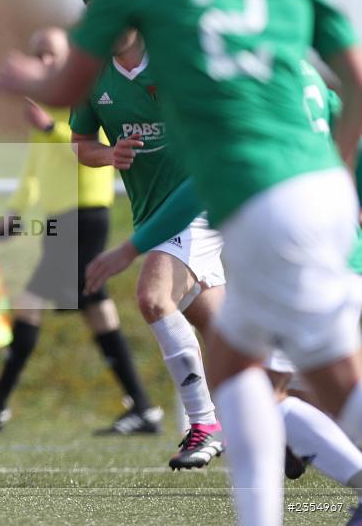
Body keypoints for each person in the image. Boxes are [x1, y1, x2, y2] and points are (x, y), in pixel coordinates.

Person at [0, 0, 362, 524]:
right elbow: (353, 84)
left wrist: (30, 81)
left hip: (254, 202)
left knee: (310, 373)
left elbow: (199, 173)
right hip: (306, 196)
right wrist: (342, 174)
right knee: (250, 377)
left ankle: (224, 434)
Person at [84, 61, 362, 520]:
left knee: (252, 390)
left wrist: (130, 249)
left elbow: (200, 186)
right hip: (329, 253)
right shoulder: (308, 75)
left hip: (296, 259)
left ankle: (211, 428)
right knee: (273, 389)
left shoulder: (241, 84)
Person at [0, 26, 161, 435]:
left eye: (52, 53)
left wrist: (51, 130)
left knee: (30, 300)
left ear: (69, 56)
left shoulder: (83, 93)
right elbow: (35, 168)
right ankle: (142, 406)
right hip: (59, 218)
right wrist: (15, 212)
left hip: (84, 212)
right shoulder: (45, 107)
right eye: (38, 54)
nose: (45, 62)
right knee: (95, 308)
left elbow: (89, 151)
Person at [70, 0, 225, 469]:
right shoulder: (92, 76)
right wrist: (109, 154)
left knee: (152, 297)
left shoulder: (177, 59)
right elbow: (82, 147)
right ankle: (286, 421)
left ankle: (203, 424)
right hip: (151, 212)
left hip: (201, 202)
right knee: (228, 337)